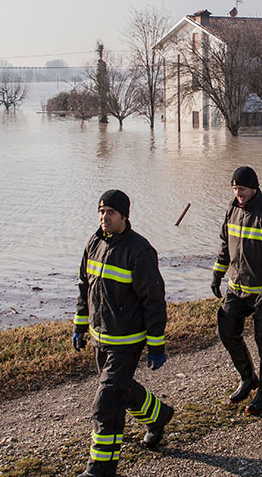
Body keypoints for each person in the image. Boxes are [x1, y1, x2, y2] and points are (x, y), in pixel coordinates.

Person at [73, 189, 174, 477]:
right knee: (120, 390)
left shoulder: (140, 251)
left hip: (126, 341)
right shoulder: (94, 243)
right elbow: (84, 287)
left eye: (111, 213)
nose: (104, 217)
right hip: (100, 337)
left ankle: (100, 470)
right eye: (101, 211)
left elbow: (154, 301)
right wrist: (80, 325)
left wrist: (156, 344)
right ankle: (158, 417)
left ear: (124, 216)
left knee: (106, 404)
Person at [211, 165, 262, 414]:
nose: (238, 193)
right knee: (226, 330)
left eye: (242, 189)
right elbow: (225, 244)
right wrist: (217, 273)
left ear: (254, 188)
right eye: (235, 188)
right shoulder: (232, 208)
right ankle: (248, 378)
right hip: (236, 290)